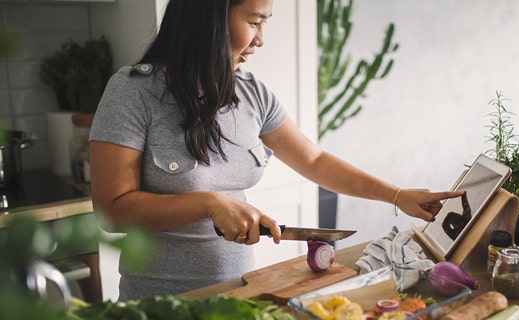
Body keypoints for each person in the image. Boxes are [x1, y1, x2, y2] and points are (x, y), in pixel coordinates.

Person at [89, 0, 464, 301]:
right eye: (254, 21)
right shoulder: (132, 92)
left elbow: (314, 161)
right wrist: (208, 203)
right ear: (211, 18)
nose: (260, 39)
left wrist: (397, 196)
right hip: (161, 304)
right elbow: (112, 211)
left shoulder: (252, 93)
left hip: (240, 295)